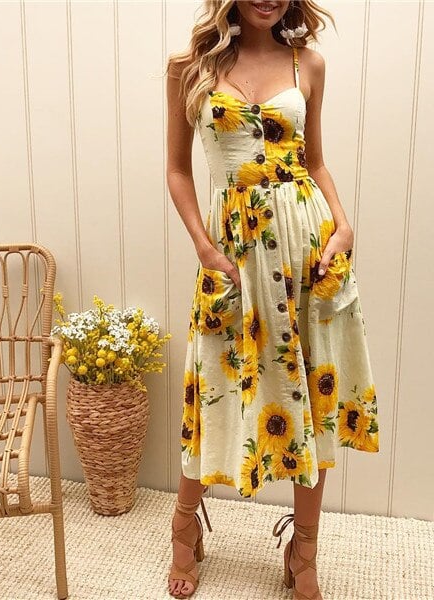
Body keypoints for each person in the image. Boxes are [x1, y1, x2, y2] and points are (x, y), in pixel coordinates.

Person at [165, 1, 380, 598]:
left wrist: (343, 226)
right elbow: (178, 170)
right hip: (232, 252)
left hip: (306, 246)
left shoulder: (308, 63)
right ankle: (184, 527)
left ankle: (304, 552)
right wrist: (205, 248)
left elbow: (315, 161)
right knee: (214, 383)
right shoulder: (189, 67)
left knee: (310, 390)